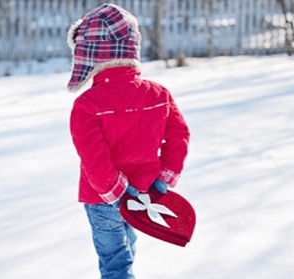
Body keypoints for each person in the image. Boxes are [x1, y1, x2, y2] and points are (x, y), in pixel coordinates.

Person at [67, 3, 190, 279]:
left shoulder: (86, 105)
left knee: (115, 262)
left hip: (102, 198)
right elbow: (179, 136)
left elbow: (93, 156)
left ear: (91, 55)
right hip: (141, 194)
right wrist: (162, 179)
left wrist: (115, 190)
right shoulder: (159, 95)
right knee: (127, 251)